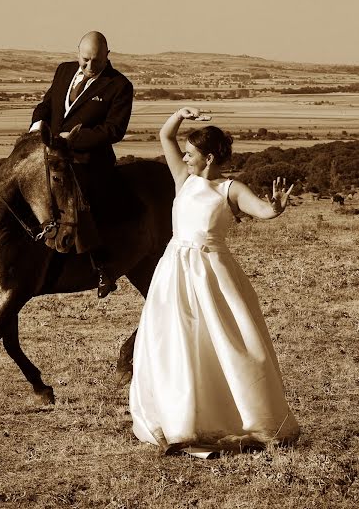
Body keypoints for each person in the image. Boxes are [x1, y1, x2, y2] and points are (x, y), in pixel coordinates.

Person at [129, 107, 300, 458]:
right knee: (176, 340)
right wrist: (180, 114)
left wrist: (276, 208)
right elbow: (165, 136)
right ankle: (180, 418)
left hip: (212, 273)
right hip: (174, 270)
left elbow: (263, 211)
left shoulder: (230, 189)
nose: (185, 157)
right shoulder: (184, 179)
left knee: (223, 341)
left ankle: (238, 416)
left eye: (190, 153)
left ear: (208, 158)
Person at [30, 31, 133, 298]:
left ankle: (102, 267)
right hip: (50, 156)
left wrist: (71, 140)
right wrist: (36, 125)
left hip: (89, 162)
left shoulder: (120, 86)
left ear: (107, 56)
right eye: (85, 60)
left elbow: (113, 130)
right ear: (77, 53)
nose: (89, 67)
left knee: (76, 201)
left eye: (96, 62)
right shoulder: (63, 71)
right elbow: (46, 105)